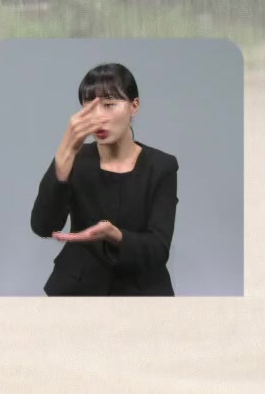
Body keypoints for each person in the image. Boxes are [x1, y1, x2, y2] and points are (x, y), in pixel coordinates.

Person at [29, 62, 179, 295]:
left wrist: (116, 235)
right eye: (89, 106)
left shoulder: (162, 166)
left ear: (134, 106)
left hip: (141, 292)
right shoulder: (74, 159)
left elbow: (158, 249)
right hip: (77, 288)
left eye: (109, 105)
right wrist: (64, 153)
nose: (98, 117)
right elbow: (43, 225)